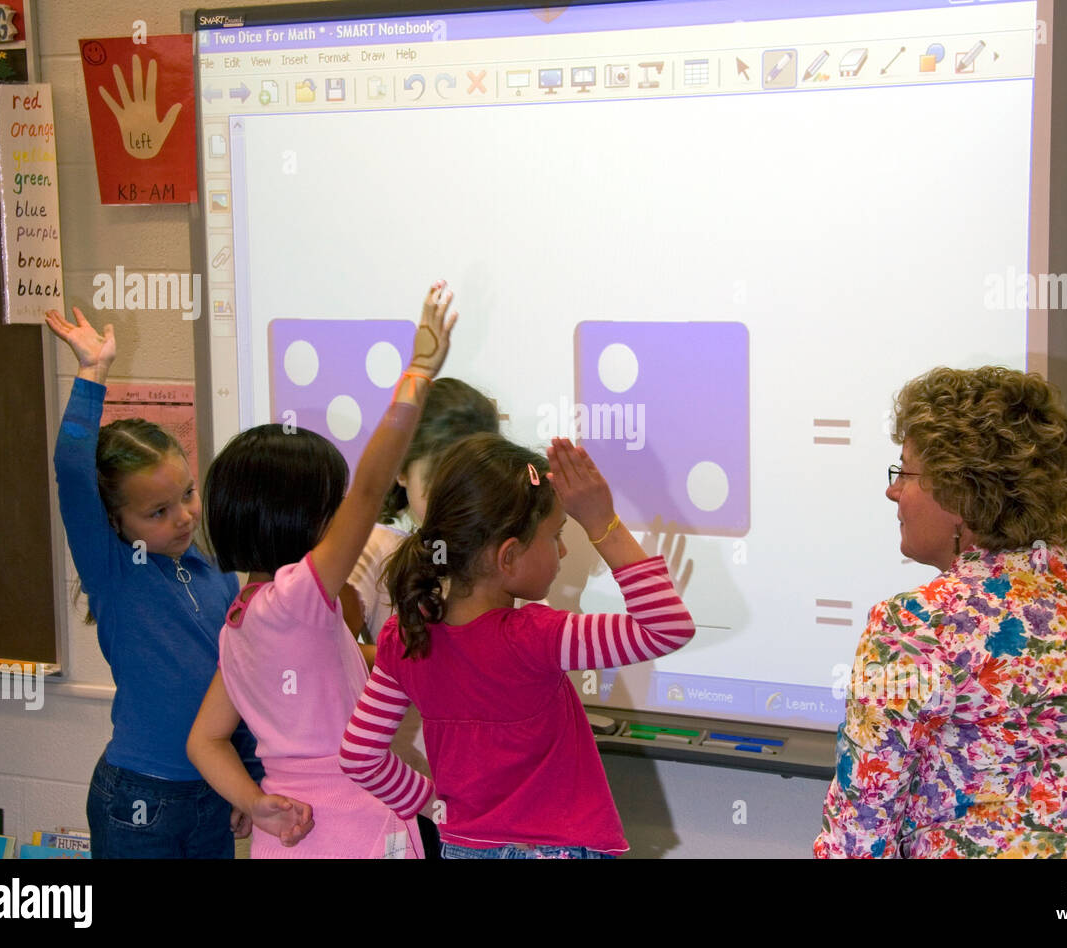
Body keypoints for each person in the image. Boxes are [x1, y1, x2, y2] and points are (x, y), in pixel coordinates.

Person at [815, 366, 1067, 858]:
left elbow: (855, 841)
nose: (893, 491)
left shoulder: (916, 625)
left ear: (960, 493)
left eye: (906, 473)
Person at [186, 281, 457, 858]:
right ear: (304, 518)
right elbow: (371, 489)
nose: (345, 520)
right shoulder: (297, 598)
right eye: (333, 507)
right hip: (355, 829)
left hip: (287, 837)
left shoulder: (240, 621)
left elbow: (205, 740)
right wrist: (418, 373)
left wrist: (256, 801)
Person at [339, 435, 695, 858]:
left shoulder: (405, 637)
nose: (563, 550)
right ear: (507, 557)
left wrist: (438, 807)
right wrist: (603, 523)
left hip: (464, 847)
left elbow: (359, 756)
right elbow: (667, 628)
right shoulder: (538, 636)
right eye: (555, 535)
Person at [46, 307, 262, 858]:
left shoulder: (218, 573)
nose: (184, 517)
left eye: (187, 494)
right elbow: (72, 471)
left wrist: (250, 780)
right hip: (138, 799)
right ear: (115, 522)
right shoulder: (115, 571)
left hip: (213, 790)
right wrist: (92, 373)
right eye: (158, 512)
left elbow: (237, 683)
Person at [339, 377, 499, 858]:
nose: (453, 496)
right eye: (438, 476)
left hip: (485, 784)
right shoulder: (375, 548)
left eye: (467, 479)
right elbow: (331, 650)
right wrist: (425, 659)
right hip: (412, 791)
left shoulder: (495, 554)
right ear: (402, 471)